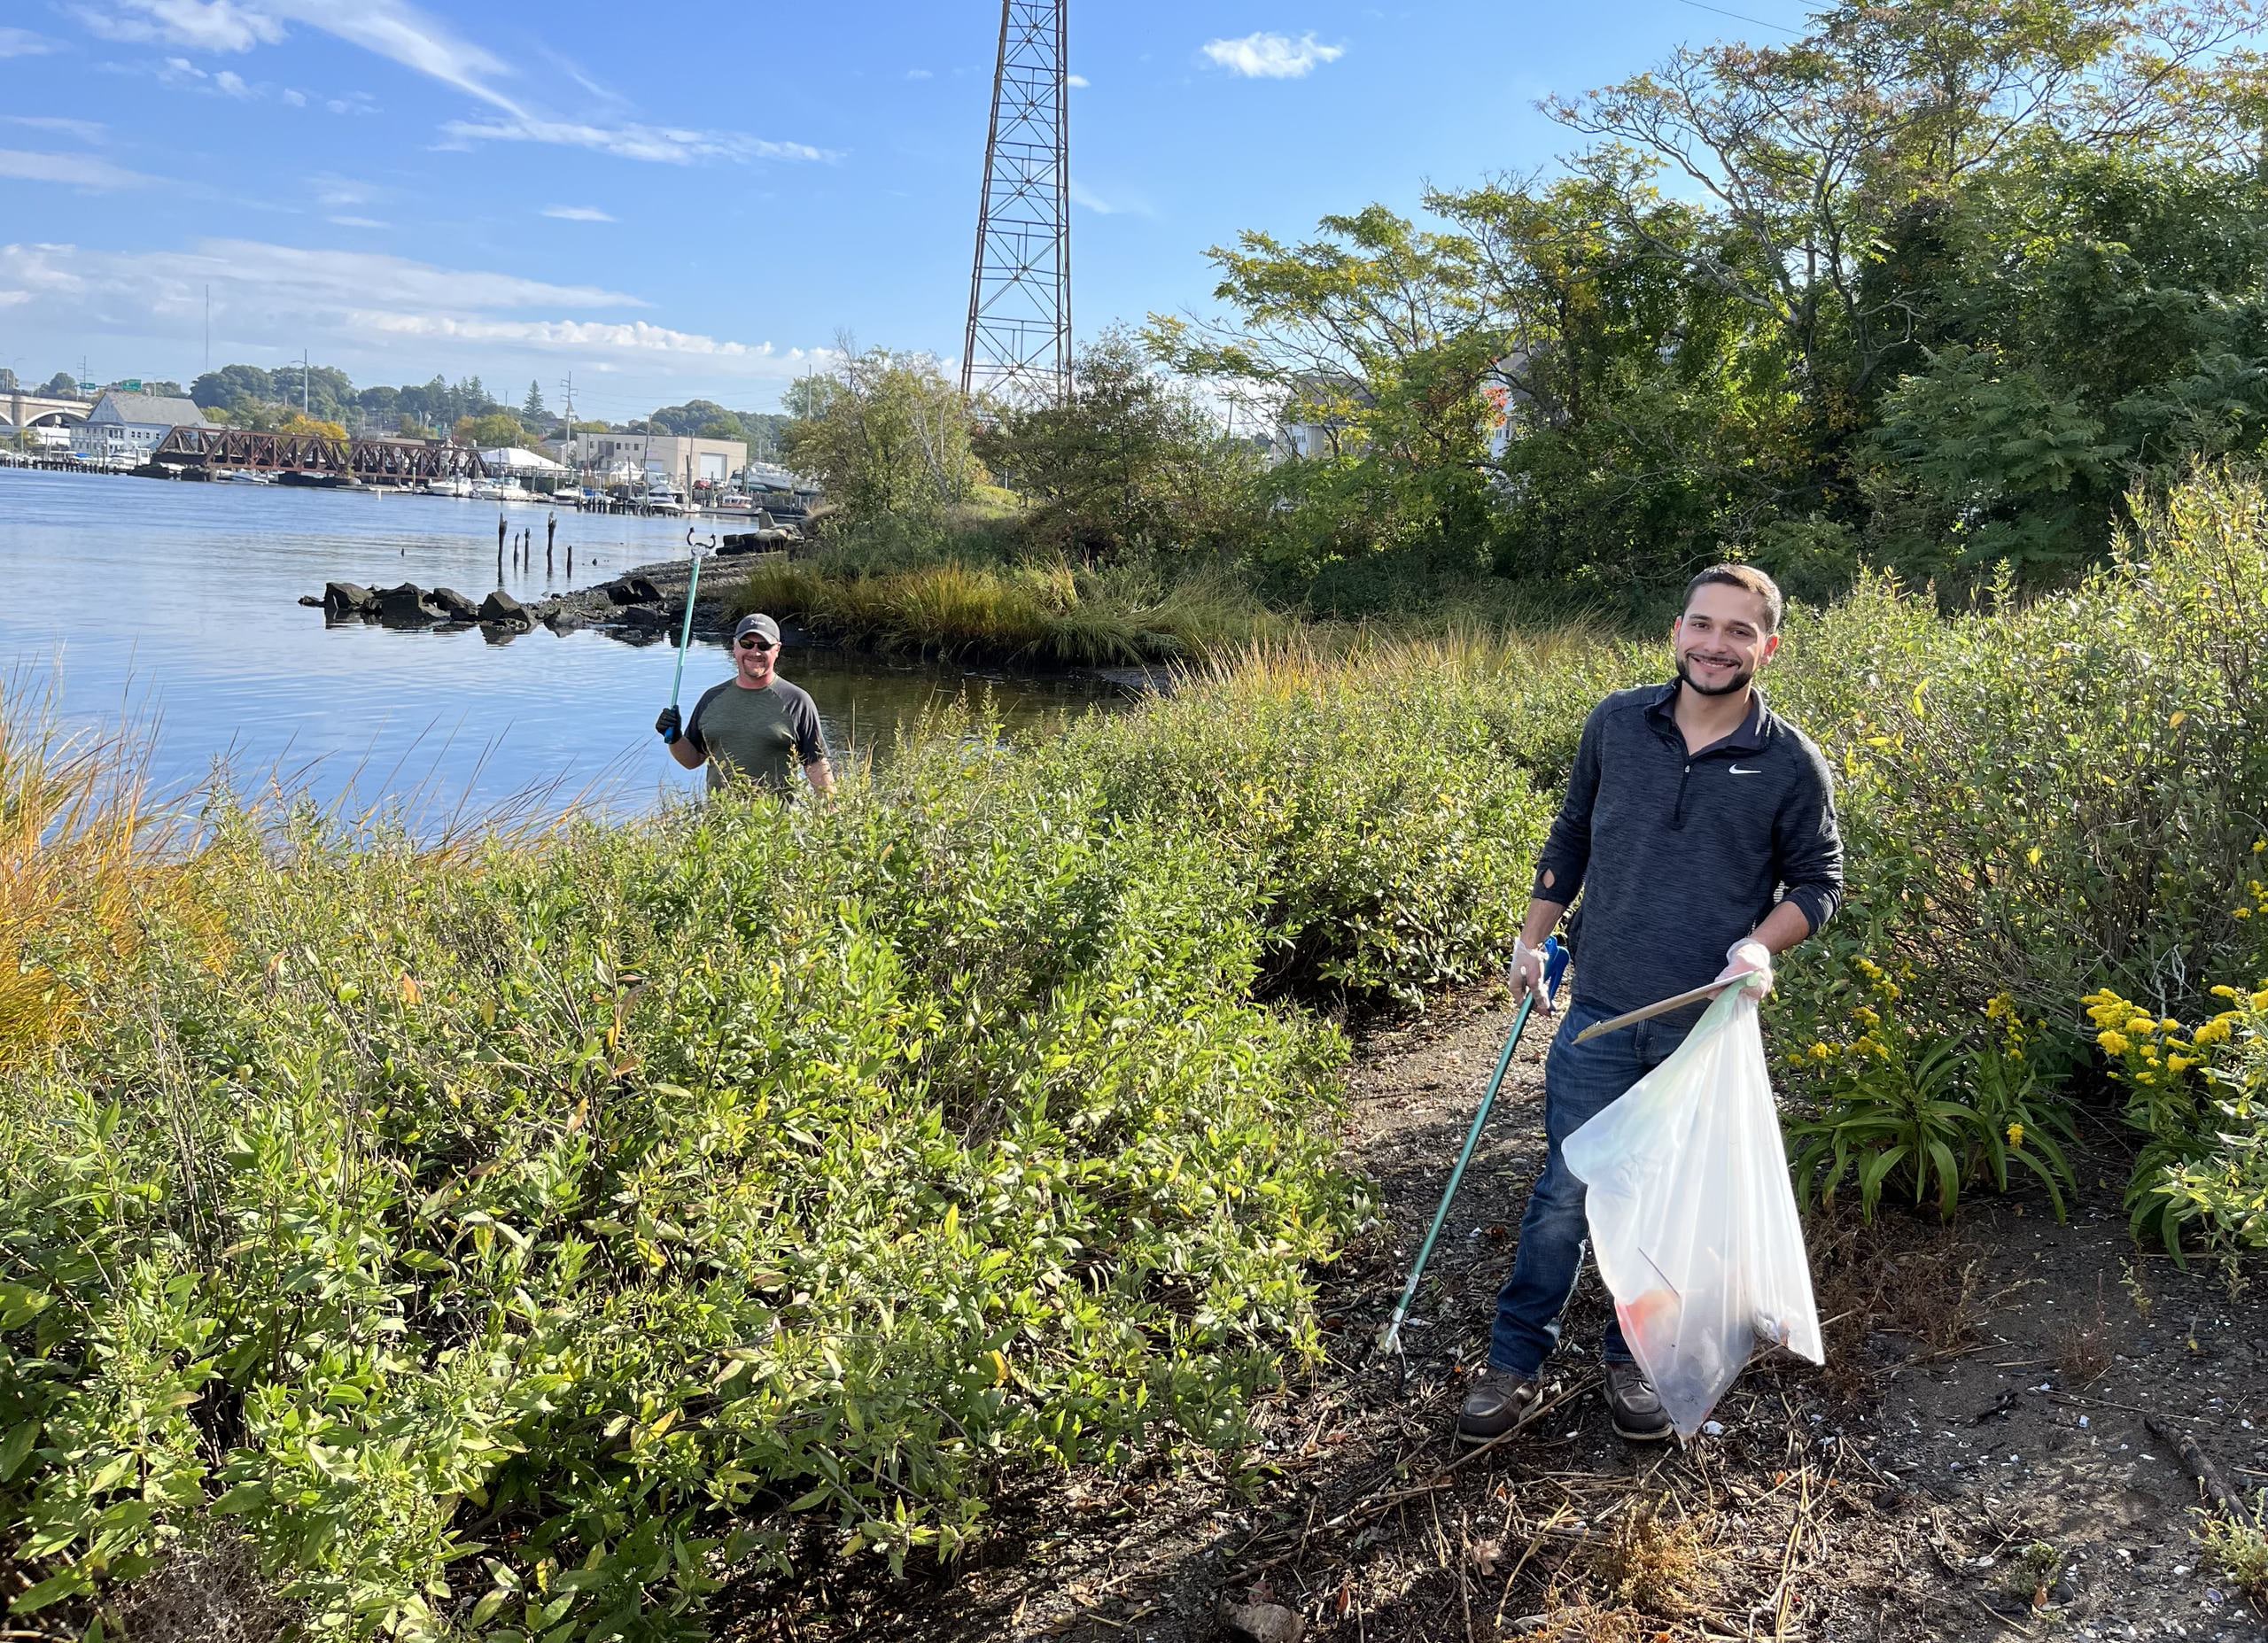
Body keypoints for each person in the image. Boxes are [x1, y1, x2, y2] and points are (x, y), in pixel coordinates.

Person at [1460, 563, 1843, 1445]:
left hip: (1700, 1026)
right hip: (1598, 1008)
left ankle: (1634, 1359)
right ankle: (1513, 1361)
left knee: (1669, 1201)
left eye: (1738, 631)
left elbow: (1818, 884)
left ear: (1768, 647)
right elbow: (1571, 832)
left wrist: (1758, 944)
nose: (1716, 644)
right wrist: (1533, 935)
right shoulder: (1615, 724)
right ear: (1677, 631)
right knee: (1563, 1190)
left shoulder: (1789, 762)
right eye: (1702, 625)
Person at [654, 613, 835, 797]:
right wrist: (675, 737)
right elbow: (692, 760)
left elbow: (816, 765)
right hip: (721, 822)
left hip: (776, 823)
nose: (755, 652)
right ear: (735, 646)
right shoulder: (711, 698)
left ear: (777, 649)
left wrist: (831, 812)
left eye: (763, 646)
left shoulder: (797, 701)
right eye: (747, 644)